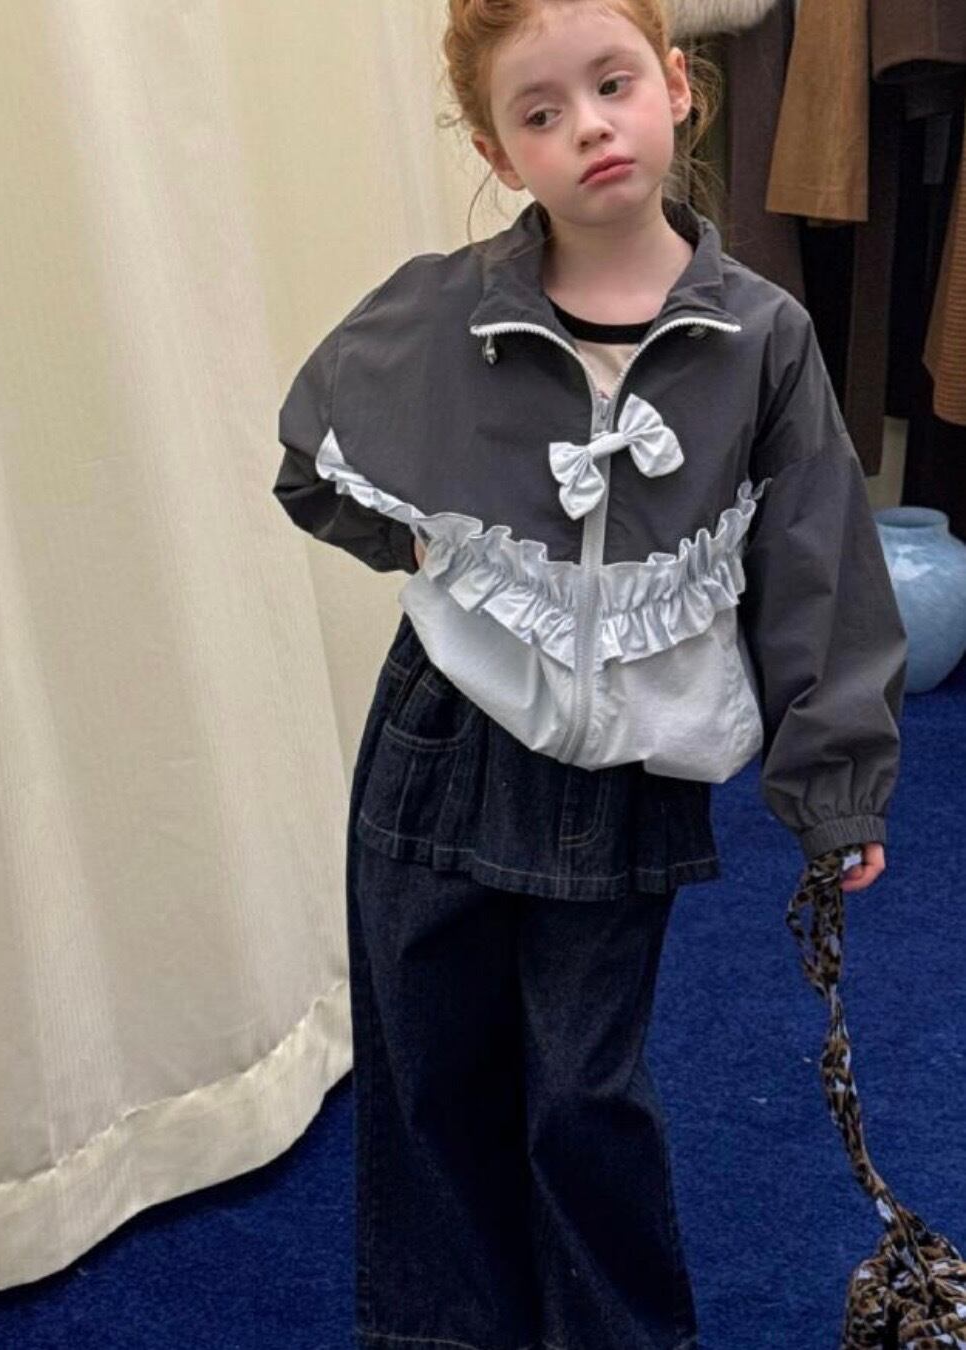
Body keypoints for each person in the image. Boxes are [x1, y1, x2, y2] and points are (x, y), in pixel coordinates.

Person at [271, 1, 907, 1346]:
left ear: (676, 85)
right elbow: (311, 460)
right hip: (441, 749)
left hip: (628, 776)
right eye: (540, 113)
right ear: (499, 154)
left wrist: (835, 781)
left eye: (612, 84)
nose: (589, 128)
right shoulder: (440, 309)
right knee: (430, 1070)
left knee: (584, 1090)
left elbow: (818, 567)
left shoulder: (765, 338)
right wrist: (431, 547)